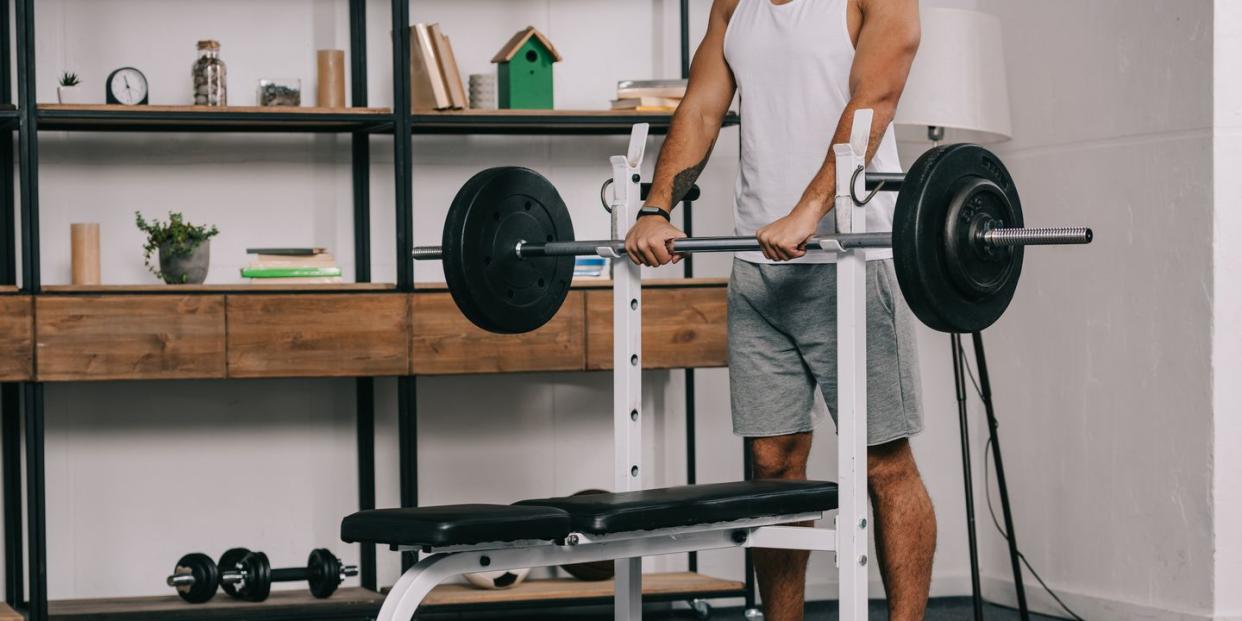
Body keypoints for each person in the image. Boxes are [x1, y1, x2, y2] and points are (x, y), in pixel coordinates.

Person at [623, 0, 932, 619]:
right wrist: (656, 206)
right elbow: (703, 109)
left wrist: (808, 210)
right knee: (773, 463)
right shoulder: (733, 6)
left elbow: (875, 100)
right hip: (758, 272)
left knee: (881, 463)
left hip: (851, 263)